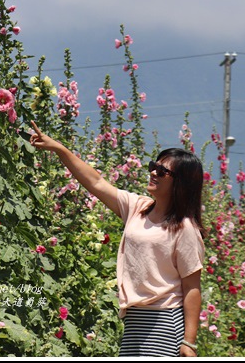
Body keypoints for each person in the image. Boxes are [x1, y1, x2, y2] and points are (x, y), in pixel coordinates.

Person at [28, 121, 205, 357]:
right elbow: (96, 183)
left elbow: (192, 288)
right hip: (135, 320)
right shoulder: (138, 207)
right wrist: (59, 148)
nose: (153, 172)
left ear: (180, 183)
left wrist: (189, 342)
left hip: (164, 321)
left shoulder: (184, 228)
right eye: (154, 166)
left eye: (162, 171)